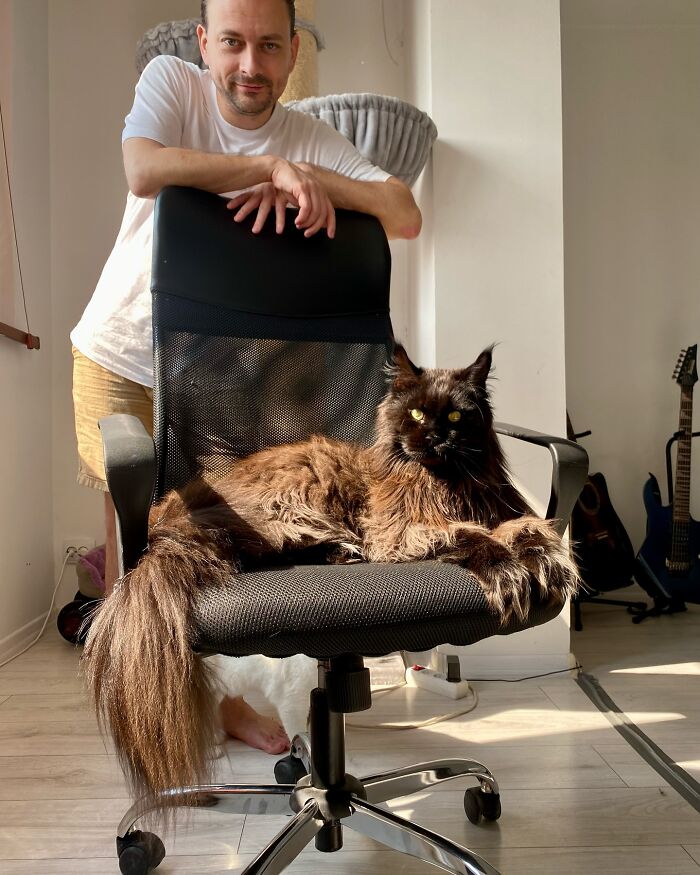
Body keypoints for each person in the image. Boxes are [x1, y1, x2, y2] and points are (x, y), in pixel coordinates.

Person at [71, 0, 422, 755]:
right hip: (123, 355)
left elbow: (403, 210)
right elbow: (145, 168)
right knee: (137, 564)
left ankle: (219, 698)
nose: (250, 67)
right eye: (231, 44)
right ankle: (154, 728)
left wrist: (308, 180)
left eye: (268, 47)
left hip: (217, 370)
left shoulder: (307, 134)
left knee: (214, 549)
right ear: (204, 44)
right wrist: (267, 167)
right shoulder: (173, 84)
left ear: (293, 51)